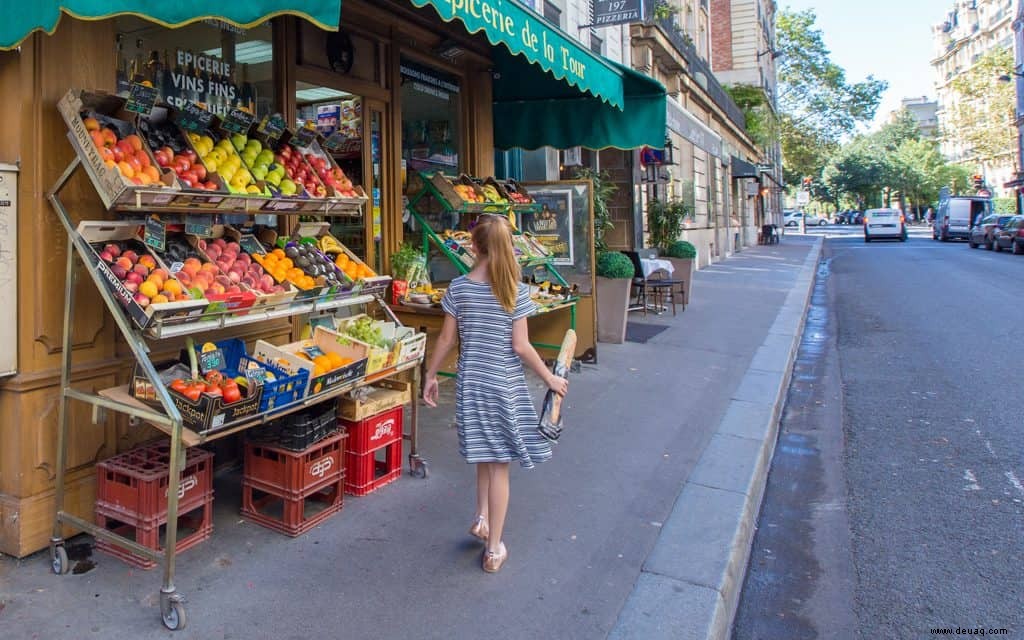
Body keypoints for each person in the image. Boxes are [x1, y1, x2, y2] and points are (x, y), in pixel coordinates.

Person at [422, 214, 569, 574]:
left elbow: (445, 340)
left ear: (474, 247)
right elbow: (521, 346)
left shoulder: (458, 288)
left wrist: (429, 375)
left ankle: (481, 517)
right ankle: (493, 549)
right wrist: (550, 377)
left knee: (486, 457)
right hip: (502, 385)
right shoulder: (513, 290)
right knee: (499, 464)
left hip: (471, 385)